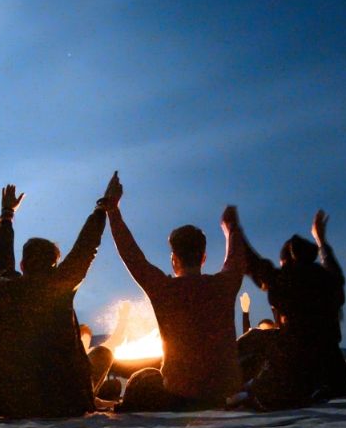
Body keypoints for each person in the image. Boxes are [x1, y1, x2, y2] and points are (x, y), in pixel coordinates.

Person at [103, 171, 246, 411]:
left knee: (144, 378)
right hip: (223, 390)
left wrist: (113, 210)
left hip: (179, 391)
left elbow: (132, 256)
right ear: (203, 257)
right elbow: (236, 258)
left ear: (173, 260)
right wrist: (231, 228)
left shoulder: (164, 289)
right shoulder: (224, 285)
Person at [0, 183, 109, 418]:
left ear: (22, 265)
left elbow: (0, 260)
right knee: (103, 354)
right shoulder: (58, 284)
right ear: (53, 266)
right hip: (65, 401)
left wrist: (7, 215)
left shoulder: (1, 288)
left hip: (10, 404)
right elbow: (86, 248)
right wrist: (102, 208)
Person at [237, 209, 346, 409]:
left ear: (287, 262)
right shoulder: (329, 281)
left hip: (298, 372)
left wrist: (234, 230)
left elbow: (254, 265)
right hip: (335, 374)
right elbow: (332, 267)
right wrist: (321, 241)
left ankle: (221, 380)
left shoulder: (287, 279)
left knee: (254, 336)